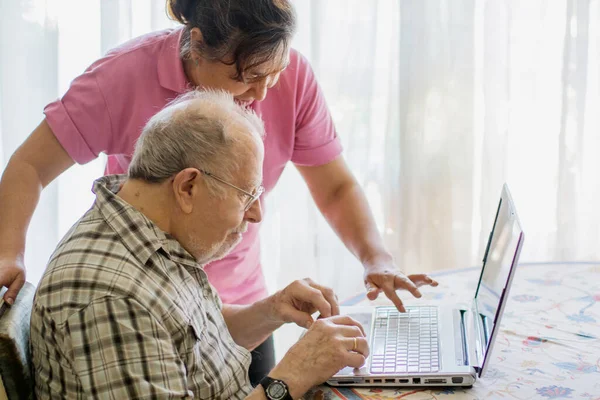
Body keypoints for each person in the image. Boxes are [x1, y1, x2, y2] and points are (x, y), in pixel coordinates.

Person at [0, 0, 437, 383]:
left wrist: (374, 256)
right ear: (196, 43)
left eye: (275, 71)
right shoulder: (122, 76)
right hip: (149, 301)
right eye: (247, 77)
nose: (263, 92)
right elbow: (29, 164)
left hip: (232, 309)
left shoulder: (289, 79)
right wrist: (9, 253)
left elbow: (336, 186)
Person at [30, 90, 369, 399]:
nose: (256, 214)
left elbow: (192, 343)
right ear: (188, 187)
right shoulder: (112, 298)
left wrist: (273, 310)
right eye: (247, 195)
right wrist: (294, 372)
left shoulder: (148, 227)